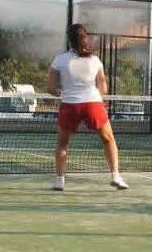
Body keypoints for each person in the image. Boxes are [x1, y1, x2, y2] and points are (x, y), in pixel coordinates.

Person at [46, 23, 128, 192]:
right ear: (85, 39)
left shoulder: (60, 60)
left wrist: (60, 93)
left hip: (70, 105)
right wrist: (101, 96)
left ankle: (59, 181)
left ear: (69, 40)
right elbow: (103, 88)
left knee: (62, 143)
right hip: (93, 104)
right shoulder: (95, 60)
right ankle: (115, 176)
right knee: (109, 140)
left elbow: (49, 88)